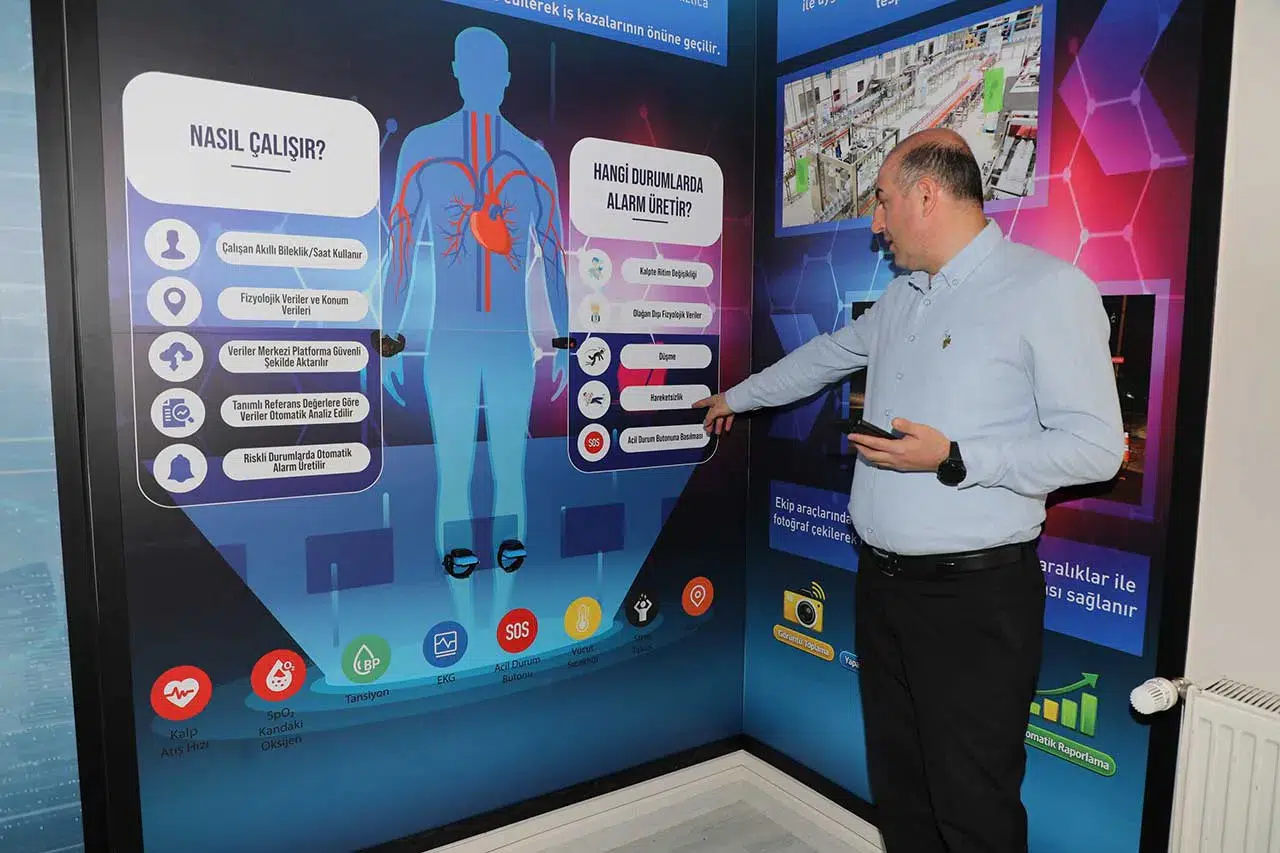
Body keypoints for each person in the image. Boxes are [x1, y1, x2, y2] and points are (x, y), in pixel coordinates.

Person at [694, 128, 1124, 853]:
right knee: (902, 793)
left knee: (971, 805)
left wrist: (953, 457)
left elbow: (1096, 448)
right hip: (883, 588)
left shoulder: (1047, 290)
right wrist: (735, 396)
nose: (876, 222)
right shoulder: (902, 297)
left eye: (883, 201)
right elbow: (823, 358)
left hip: (972, 602)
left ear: (927, 195)